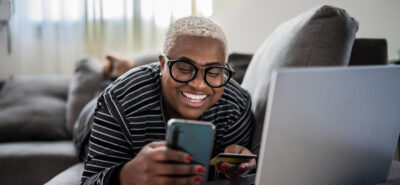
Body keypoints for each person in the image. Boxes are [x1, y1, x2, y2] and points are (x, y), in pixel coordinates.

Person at [81, 16, 256, 185]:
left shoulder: (236, 106)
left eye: (214, 72)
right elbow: (90, 180)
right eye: (185, 68)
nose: (199, 84)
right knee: (100, 94)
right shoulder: (117, 101)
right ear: (163, 65)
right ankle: (114, 73)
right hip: (89, 119)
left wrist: (234, 169)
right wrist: (125, 176)